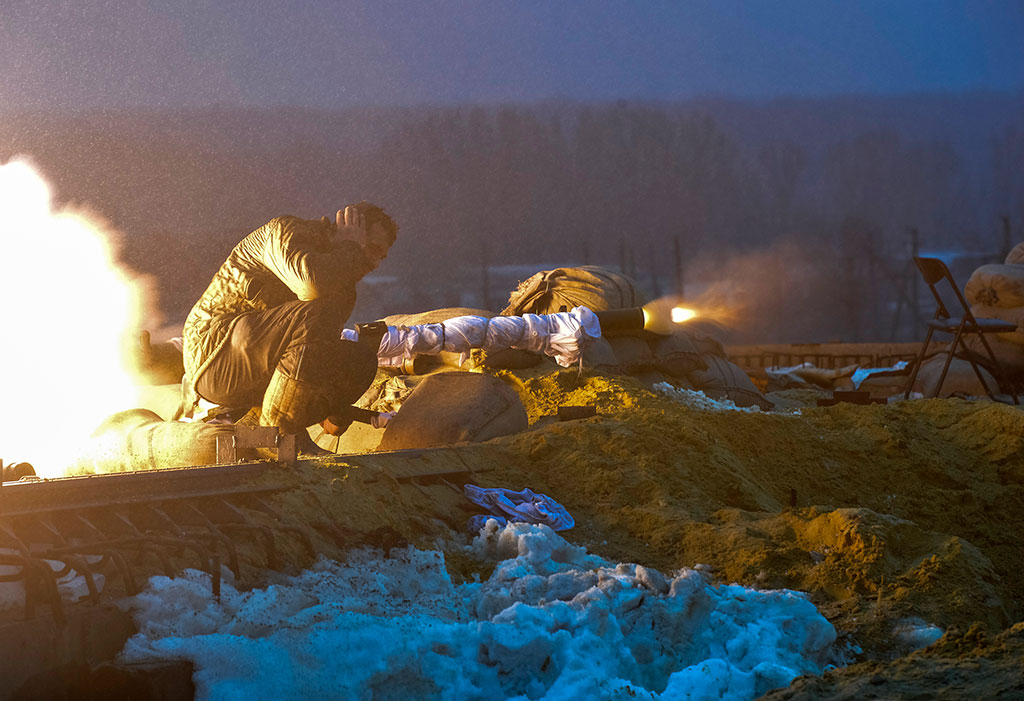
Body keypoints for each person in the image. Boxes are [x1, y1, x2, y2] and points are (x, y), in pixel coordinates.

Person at [180, 203, 397, 449]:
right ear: (345, 231)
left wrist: (335, 409)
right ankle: (279, 437)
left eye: (381, 256)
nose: (375, 262)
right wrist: (350, 247)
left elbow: (312, 356)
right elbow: (310, 286)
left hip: (260, 376)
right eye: (371, 248)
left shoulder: (342, 286)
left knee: (359, 359)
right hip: (214, 360)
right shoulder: (286, 232)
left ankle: (259, 433)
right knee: (317, 311)